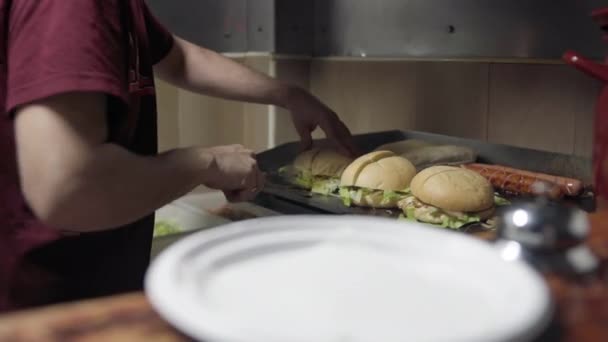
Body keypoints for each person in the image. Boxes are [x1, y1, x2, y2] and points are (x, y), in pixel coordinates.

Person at [0, 0, 355, 312]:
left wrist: (288, 94)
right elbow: (68, 188)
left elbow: (180, 59)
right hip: (45, 307)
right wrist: (207, 163)